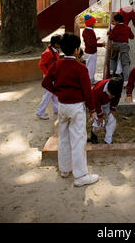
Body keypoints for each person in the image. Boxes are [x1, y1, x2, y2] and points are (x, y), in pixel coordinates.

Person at [42, 33, 99, 187]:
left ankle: (65, 169)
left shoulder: (57, 64)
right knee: (78, 139)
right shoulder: (80, 68)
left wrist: (58, 92)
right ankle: (81, 175)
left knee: (64, 137)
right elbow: (88, 91)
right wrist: (92, 109)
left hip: (62, 106)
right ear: (76, 49)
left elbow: (46, 82)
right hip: (76, 106)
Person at [87, 76, 123, 145]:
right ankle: (94, 133)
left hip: (107, 104)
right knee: (100, 123)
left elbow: (117, 99)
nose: (111, 97)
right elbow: (95, 103)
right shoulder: (97, 90)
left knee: (112, 119)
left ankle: (108, 140)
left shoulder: (117, 89)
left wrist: (113, 109)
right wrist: (100, 115)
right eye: (110, 94)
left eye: (113, 96)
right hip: (96, 105)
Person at [36, 35, 62, 120]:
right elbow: (41, 65)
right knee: (47, 95)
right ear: (55, 44)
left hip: (53, 76)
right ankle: (40, 112)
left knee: (54, 94)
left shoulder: (55, 50)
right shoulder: (48, 52)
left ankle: (56, 109)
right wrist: (48, 75)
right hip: (49, 77)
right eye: (59, 43)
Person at [108, 13, 134, 85]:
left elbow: (110, 37)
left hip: (115, 45)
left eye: (114, 21)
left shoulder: (115, 28)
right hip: (124, 46)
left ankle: (111, 72)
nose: (114, 23)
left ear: (118, 21)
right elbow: (132, 37)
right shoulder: (127, 28)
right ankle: (126, 81)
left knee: (113, 58)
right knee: (125, 63)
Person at [82, 14, 105, 85]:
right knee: (91, 67)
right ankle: (90, 80)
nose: (95, 23)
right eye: (94, 22)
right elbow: (92, 44)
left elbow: (88, 41)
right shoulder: (91, 32)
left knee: (89, 66)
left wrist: (95, 39)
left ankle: (89, 79)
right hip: (91, 52)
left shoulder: (85, 31)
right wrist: (101, 44)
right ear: (91, 23)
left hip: (87, 51)